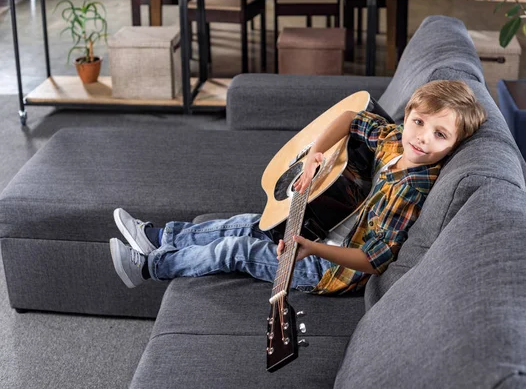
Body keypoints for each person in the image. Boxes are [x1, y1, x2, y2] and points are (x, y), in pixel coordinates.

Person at [109, 80, 487, 295]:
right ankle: (159, 235)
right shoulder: (394, 141)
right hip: (327, 227)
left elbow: (376, 259)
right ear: (408, 117)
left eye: (440, 135)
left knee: (237, 249)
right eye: (419, 123)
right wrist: (315, 155)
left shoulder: (412, 188)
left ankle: (151, 266)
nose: (422, 139)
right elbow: (352, 118)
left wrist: (311, 248)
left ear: (454, 144)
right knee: (250, 223)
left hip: (327, 266)